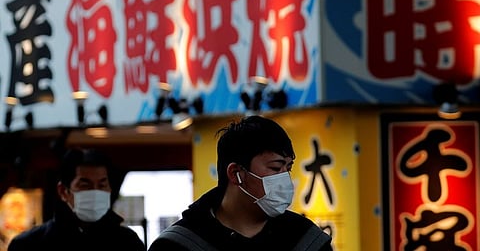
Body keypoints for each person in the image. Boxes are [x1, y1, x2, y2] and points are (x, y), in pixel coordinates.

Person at [149, 115, 332, 251]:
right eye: (276, 168)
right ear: (236, 173)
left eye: (288, 168)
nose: (285, 179)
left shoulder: (306, 240)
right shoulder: (177, 246)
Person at [8, 148, 145, 251]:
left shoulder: (128, 242)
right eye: (85, 185)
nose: (95, 192)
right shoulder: (29, 244)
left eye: (102, 184)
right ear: (63, 191)